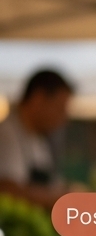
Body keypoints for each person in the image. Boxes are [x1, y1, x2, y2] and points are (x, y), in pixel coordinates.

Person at [0, 68, 72, 206]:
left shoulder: (38, 140)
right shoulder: (5, 135)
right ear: (38, 99)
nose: (64, 118)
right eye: (60, 108)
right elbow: (6, 190)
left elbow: (49, 185)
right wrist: (60, 198)